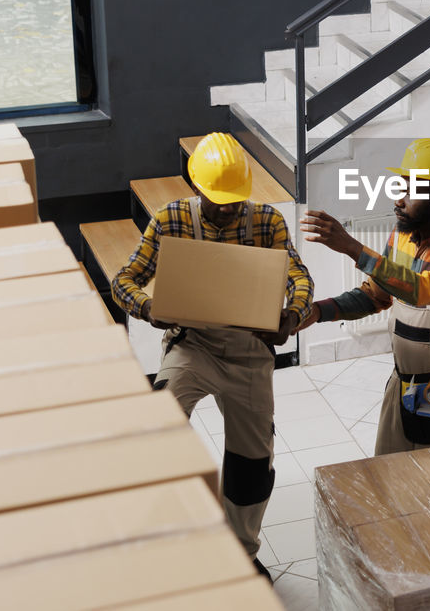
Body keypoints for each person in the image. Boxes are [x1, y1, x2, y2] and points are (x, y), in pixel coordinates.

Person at [111, 132, 313, 580]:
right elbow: (124, 278)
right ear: (195, 185)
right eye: (216, 200)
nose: (226, 208)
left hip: (249, 354)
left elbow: (298, 275)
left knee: (252, 464)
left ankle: (241, 553)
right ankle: (167, 536)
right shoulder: (170, 220)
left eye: (233, 201)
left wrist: (293, 315)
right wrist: (148, 309)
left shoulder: (266, 222)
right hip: (193, 346)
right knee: (158, 426)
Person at [294, 138, 430, 455]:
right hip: (403, 387)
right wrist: (318, 311)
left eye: (410, 192)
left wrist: (353, 248)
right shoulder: (402, 236)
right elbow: (377, 294)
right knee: (387, 486)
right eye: (399, 187)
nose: (398, 200)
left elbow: (423, 289)